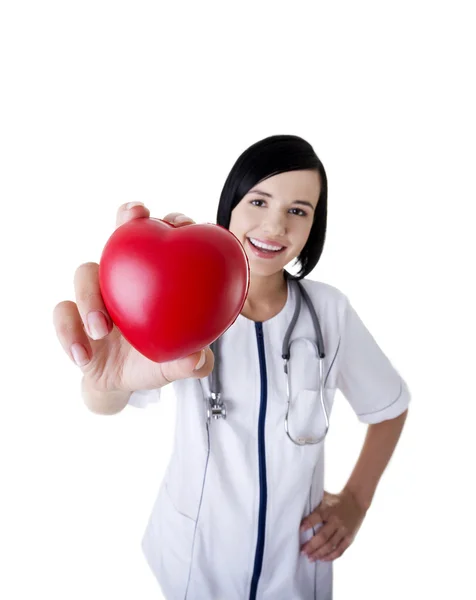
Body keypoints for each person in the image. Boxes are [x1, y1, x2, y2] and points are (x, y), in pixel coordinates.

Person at [53, 135, 411, 600]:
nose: (275, 225)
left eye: (298, 211)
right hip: (194, 563)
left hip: (296, 568)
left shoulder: (330, 314)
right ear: (230, 207)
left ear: (313, 228)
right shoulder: (184, 298)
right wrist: (102, 378)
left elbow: (389, 405)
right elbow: (107, 402)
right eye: (258, 201)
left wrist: (357, 501)